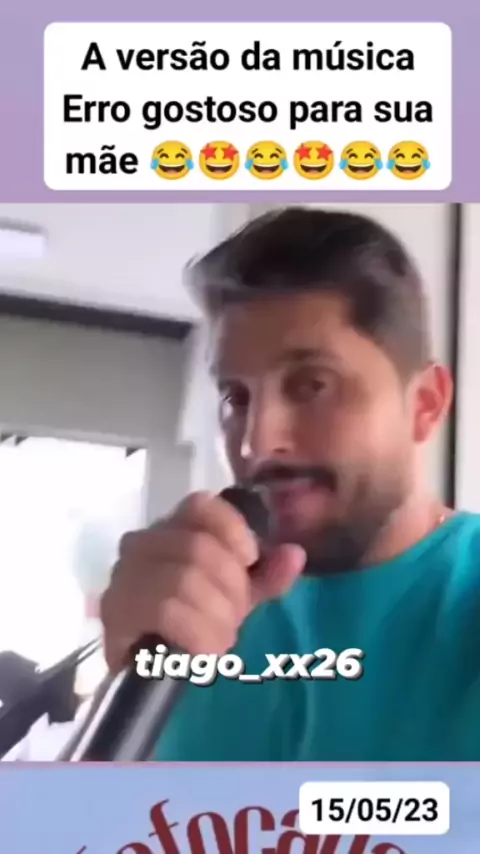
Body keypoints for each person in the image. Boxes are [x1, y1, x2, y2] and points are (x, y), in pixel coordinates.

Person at [101, 207, 480, 761]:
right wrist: (123, 689)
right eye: (236, 397)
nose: (256, 442)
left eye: (312, 385)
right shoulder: (193, 612)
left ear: (424, 405)